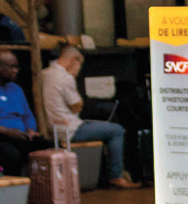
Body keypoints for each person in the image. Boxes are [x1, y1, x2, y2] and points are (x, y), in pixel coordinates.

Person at [41, 44, 140, 189]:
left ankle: (110, 173)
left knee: (104, 128)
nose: (79, 69)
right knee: (116, 130)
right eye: (79, 64)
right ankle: (116, 176)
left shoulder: (45, 73)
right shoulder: (64, 77)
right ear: (74, 60)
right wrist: (73, 78)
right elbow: (77, 105)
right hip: (69, 128)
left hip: (54, 126)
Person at [0, 48, 47, 175]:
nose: (16, 71)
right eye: (12, 67)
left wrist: (30, 130)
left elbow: (28, 116)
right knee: (11, 155)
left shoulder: (16, 89)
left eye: (17, 67)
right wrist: (7, 132)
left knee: (51, 148)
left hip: (22, 137)